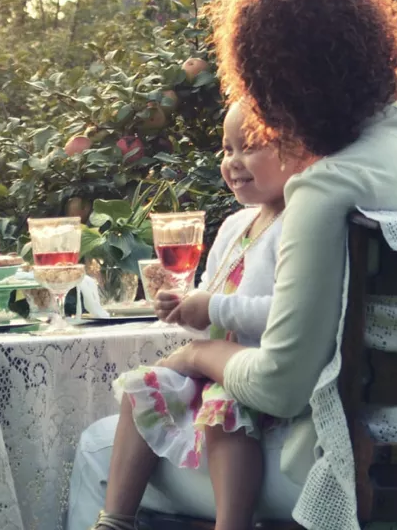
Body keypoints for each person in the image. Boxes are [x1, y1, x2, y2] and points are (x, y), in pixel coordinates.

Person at [67, 0, 397, 530]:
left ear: (278, 88)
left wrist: (197, 351)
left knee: (97, 450)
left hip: (352, 465)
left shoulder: (328, 186)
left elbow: (280, 388)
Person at [86, 101, 312, 530]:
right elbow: (211, 301)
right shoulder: (234, 225)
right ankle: (115, 519)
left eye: (249, 148)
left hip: (257, 371)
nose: (234, 163)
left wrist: (211, 306)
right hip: (212, 365)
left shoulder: (298, 225)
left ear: (298, 151)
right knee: (141, 390)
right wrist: (185, 310)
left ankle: (232, 523)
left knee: (224, 413)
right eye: (227, 150)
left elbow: (287, 311)